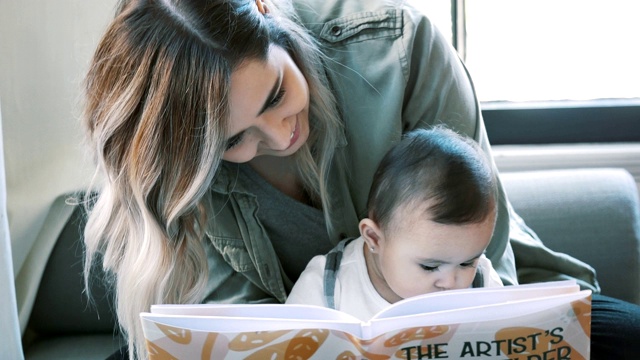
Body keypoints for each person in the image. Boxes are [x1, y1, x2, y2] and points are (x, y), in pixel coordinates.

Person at [80, 0, 639, 359]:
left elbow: (481, 250)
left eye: (277, 94)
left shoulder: (400, 49)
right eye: (234, 141)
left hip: (476, 308)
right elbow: (240, 331)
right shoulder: (182, 177)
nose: (278, 137)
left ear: (264, 11)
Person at [286, 127, 503, 321]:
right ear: (374, 238)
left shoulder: (483, 286)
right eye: (429, 266)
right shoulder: (325, 287)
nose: (450, 282)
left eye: (467, 263)